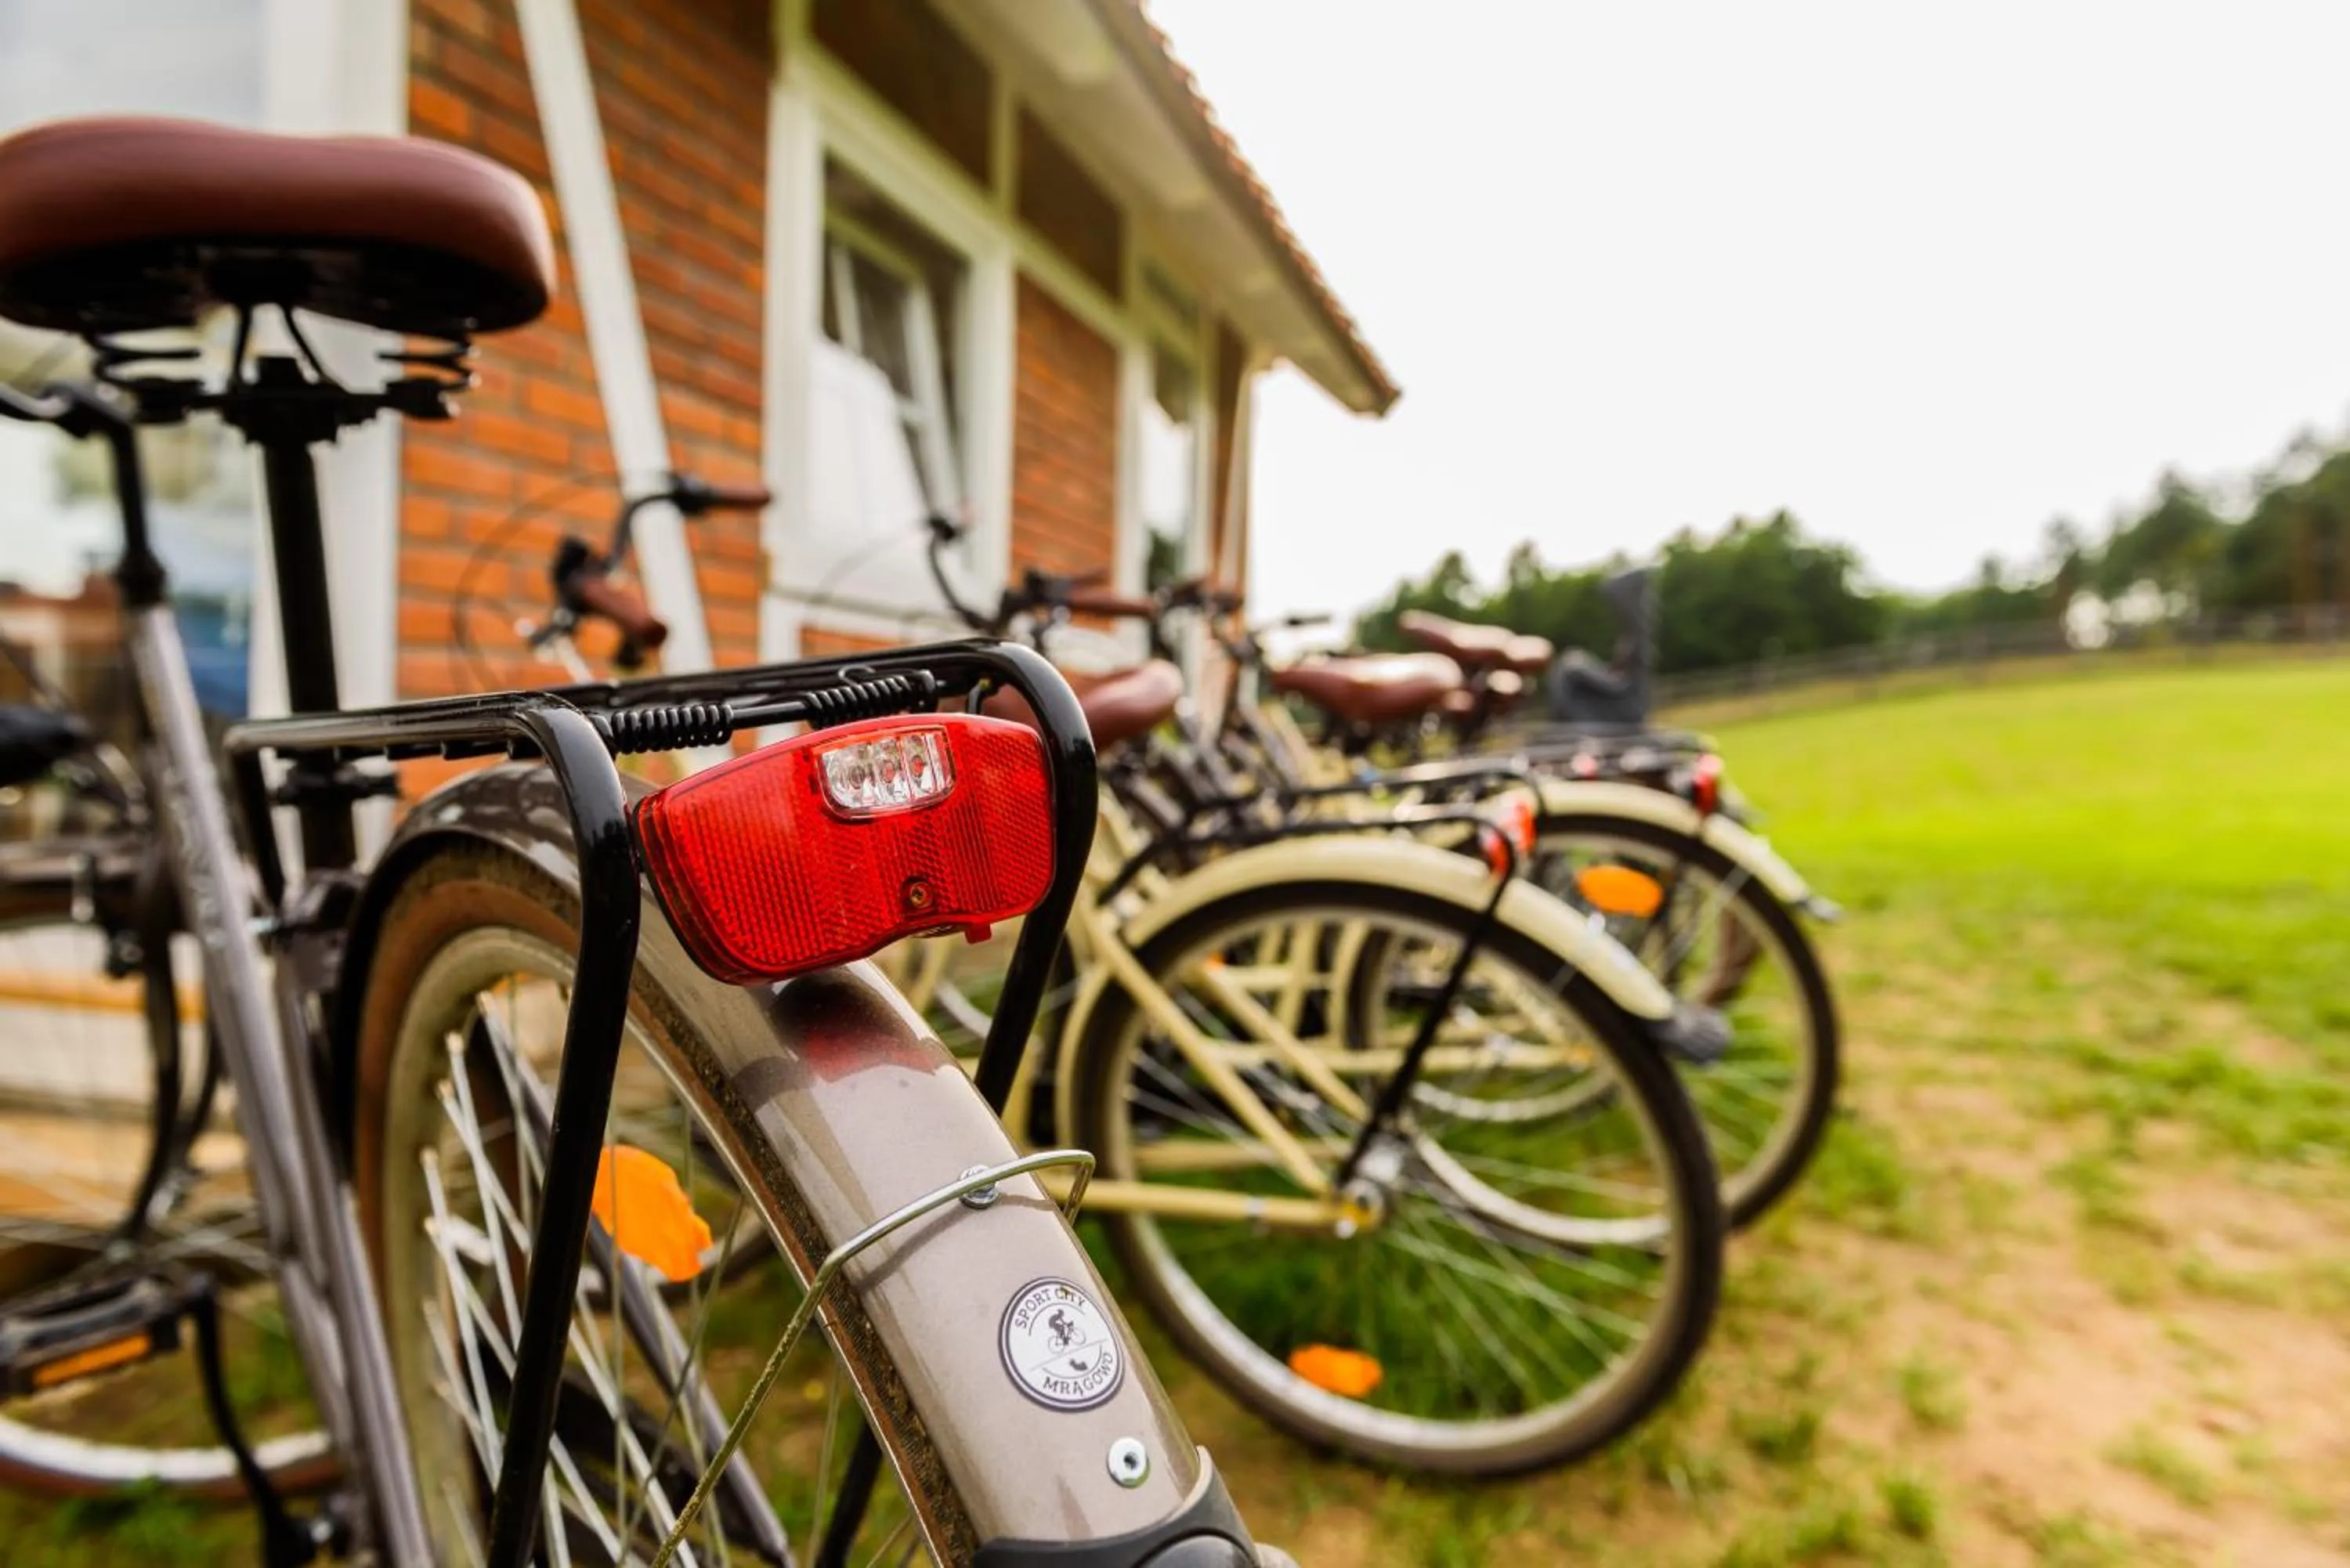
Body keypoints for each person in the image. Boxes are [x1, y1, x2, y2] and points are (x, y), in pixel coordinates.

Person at [1546, 566, 1656, 726]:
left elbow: (1623, 684)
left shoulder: (1637, 641)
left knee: (1571, 666)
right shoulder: (1629, 641)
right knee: (1571, 665)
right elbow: (1617, 676)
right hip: (1615, 702)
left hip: (1624, 707)